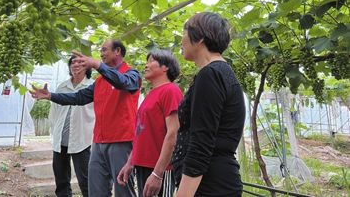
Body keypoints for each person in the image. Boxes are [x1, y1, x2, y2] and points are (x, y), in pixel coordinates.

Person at [31, 39, 141, 197]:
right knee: (95, 189)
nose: (101, 54)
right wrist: (50, 96)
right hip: (98, 142)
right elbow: (78, 97)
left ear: (117, 51)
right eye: (100, 51)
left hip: (121, 141)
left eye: (104, 50)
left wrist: (97, 65)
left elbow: (122, 83)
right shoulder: (100, 81)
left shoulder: (132, 74)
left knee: (123, 189)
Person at [171, 12, 246, 197]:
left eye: (185, 32)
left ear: (200, 38)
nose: (181, 40)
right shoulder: (221, 72)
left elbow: (201, 144)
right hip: (216, 181)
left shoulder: (210, 75)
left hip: (209, 185)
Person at [117, 49, 183, 197]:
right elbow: (141, 133)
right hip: (143, 166)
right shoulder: (151, 94)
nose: (146, 65)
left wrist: (158, 174)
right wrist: (130, 162)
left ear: (165, 67)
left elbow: (173, 134)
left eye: (151, 61)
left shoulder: (171, 91)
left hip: (161, 169)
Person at [49, 55, 94, 197]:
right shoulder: (62, 86)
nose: (75, 64)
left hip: (83, 140)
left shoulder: (92, 86)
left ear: (87, 66)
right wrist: (54, 133)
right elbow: (54, 112)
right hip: (60, 140)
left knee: (86, 179)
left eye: (80, 62)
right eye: (72, 62)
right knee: (61, 180)